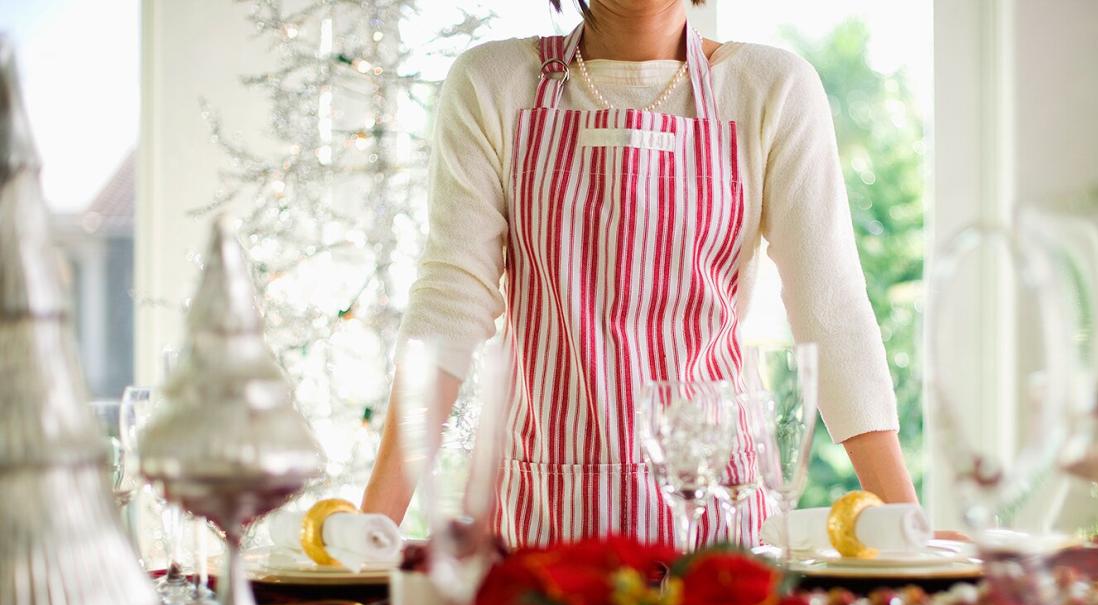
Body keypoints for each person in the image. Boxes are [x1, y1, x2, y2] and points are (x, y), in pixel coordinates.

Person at [363, 0, 917, 548]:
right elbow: (451, 302)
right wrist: (373, 530)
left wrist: (907, 530)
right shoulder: (493, 83)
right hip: (540, 521)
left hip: (716, 520)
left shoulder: (770, 86)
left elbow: (830, 308)